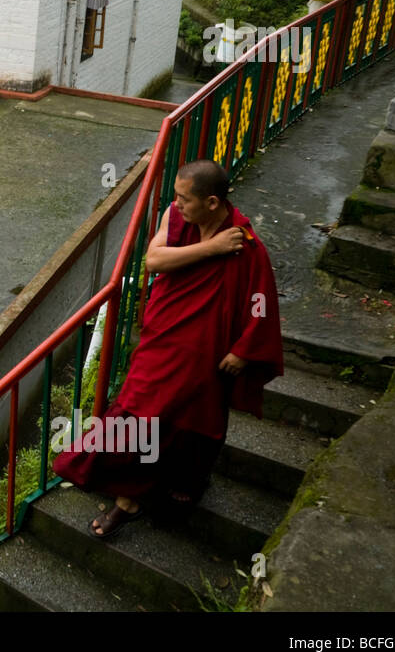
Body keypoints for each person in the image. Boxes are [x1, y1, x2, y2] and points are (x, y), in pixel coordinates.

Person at [52, 159, 284, 539]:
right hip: (163, 340)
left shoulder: (246, 244)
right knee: (138, 408)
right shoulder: (178, 221)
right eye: (175, 196)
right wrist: (211, 248)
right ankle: (114, 482)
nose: (176, 205)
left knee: (194, 422)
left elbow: (261, 301)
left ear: (212, 203)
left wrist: (244, 349)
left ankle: (154, 493)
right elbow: (154, 261)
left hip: (207, 352)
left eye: (184, 199)